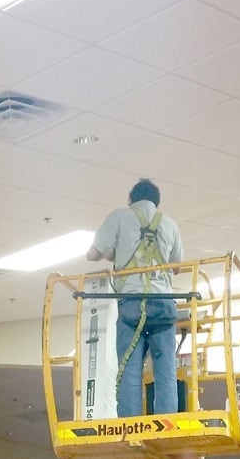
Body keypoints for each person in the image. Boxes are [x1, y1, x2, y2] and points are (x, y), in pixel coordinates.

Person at [86, 178, 184, 417]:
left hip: (132, 303)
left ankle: (129, 424)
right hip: (163, 304)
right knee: (166, 369)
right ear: (157, 202)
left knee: (129, 368)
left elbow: (92, 255)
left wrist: (116, 254)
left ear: (130, 199)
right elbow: (177, 267)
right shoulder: (170, 224)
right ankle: (167, 421)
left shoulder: (120, 216)